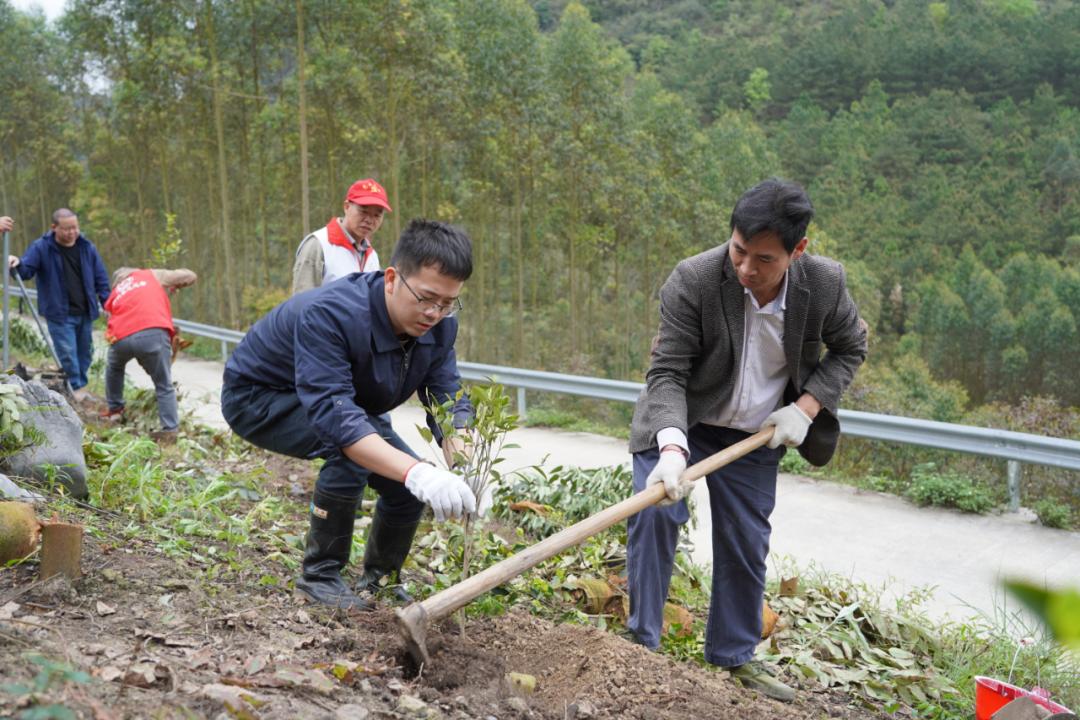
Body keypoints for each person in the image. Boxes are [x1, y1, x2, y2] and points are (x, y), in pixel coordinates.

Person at [625, 178, 867, 702]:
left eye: (763, 259)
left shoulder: (823, 284)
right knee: (655, 513)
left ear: (797, 251)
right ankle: (640, 647)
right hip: (682, 422)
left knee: (745, 539)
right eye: (738, 250)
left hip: (757, 433)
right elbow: (666, 372)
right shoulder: (694, 278)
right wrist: (670, 449)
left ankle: (734, 657)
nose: (745, 269)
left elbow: (851, 347)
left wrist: (805, 409)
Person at [222, 219, 475, 611]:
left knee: (407, 482)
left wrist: (465, 465)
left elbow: (446, 399)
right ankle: (319, 577)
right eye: (426, 298)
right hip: (261, 397)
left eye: (447, 303)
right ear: (391, 278)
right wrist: (418, 471)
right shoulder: (333, 314)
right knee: (352, 453)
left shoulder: (440, 328)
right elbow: (337, 420)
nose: (434, 313)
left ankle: (382, 580)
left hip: (343, 403)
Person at [8, 209, 110, 400]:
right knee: (68, 354)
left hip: (85, 310)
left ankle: (75, 388)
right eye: (66, 229)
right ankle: (76, 392)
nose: (72, 232)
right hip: (59, 313)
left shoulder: (86, 247)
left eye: (75, 227)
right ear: (54, 228)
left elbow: (100, 277)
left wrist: (108, 302)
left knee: (85, 353)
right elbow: (26, 270)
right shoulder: (42, 247)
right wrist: (16, 263)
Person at [101, 267, 198, 442]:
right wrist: (176, 282)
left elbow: (111, 318)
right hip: (152, 332)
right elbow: (190, 275)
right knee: (163, 384)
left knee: (114, 368)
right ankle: (170, 429)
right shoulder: (149, 275)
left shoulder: (115, 293)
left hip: (120, 338)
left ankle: (115, 411)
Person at [292, 178, 390, 295]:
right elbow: (301, 302)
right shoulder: (318, 245)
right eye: (363, 211)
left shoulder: (372, 256)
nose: (369, 220)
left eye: (377, 215)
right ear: (347, 207)